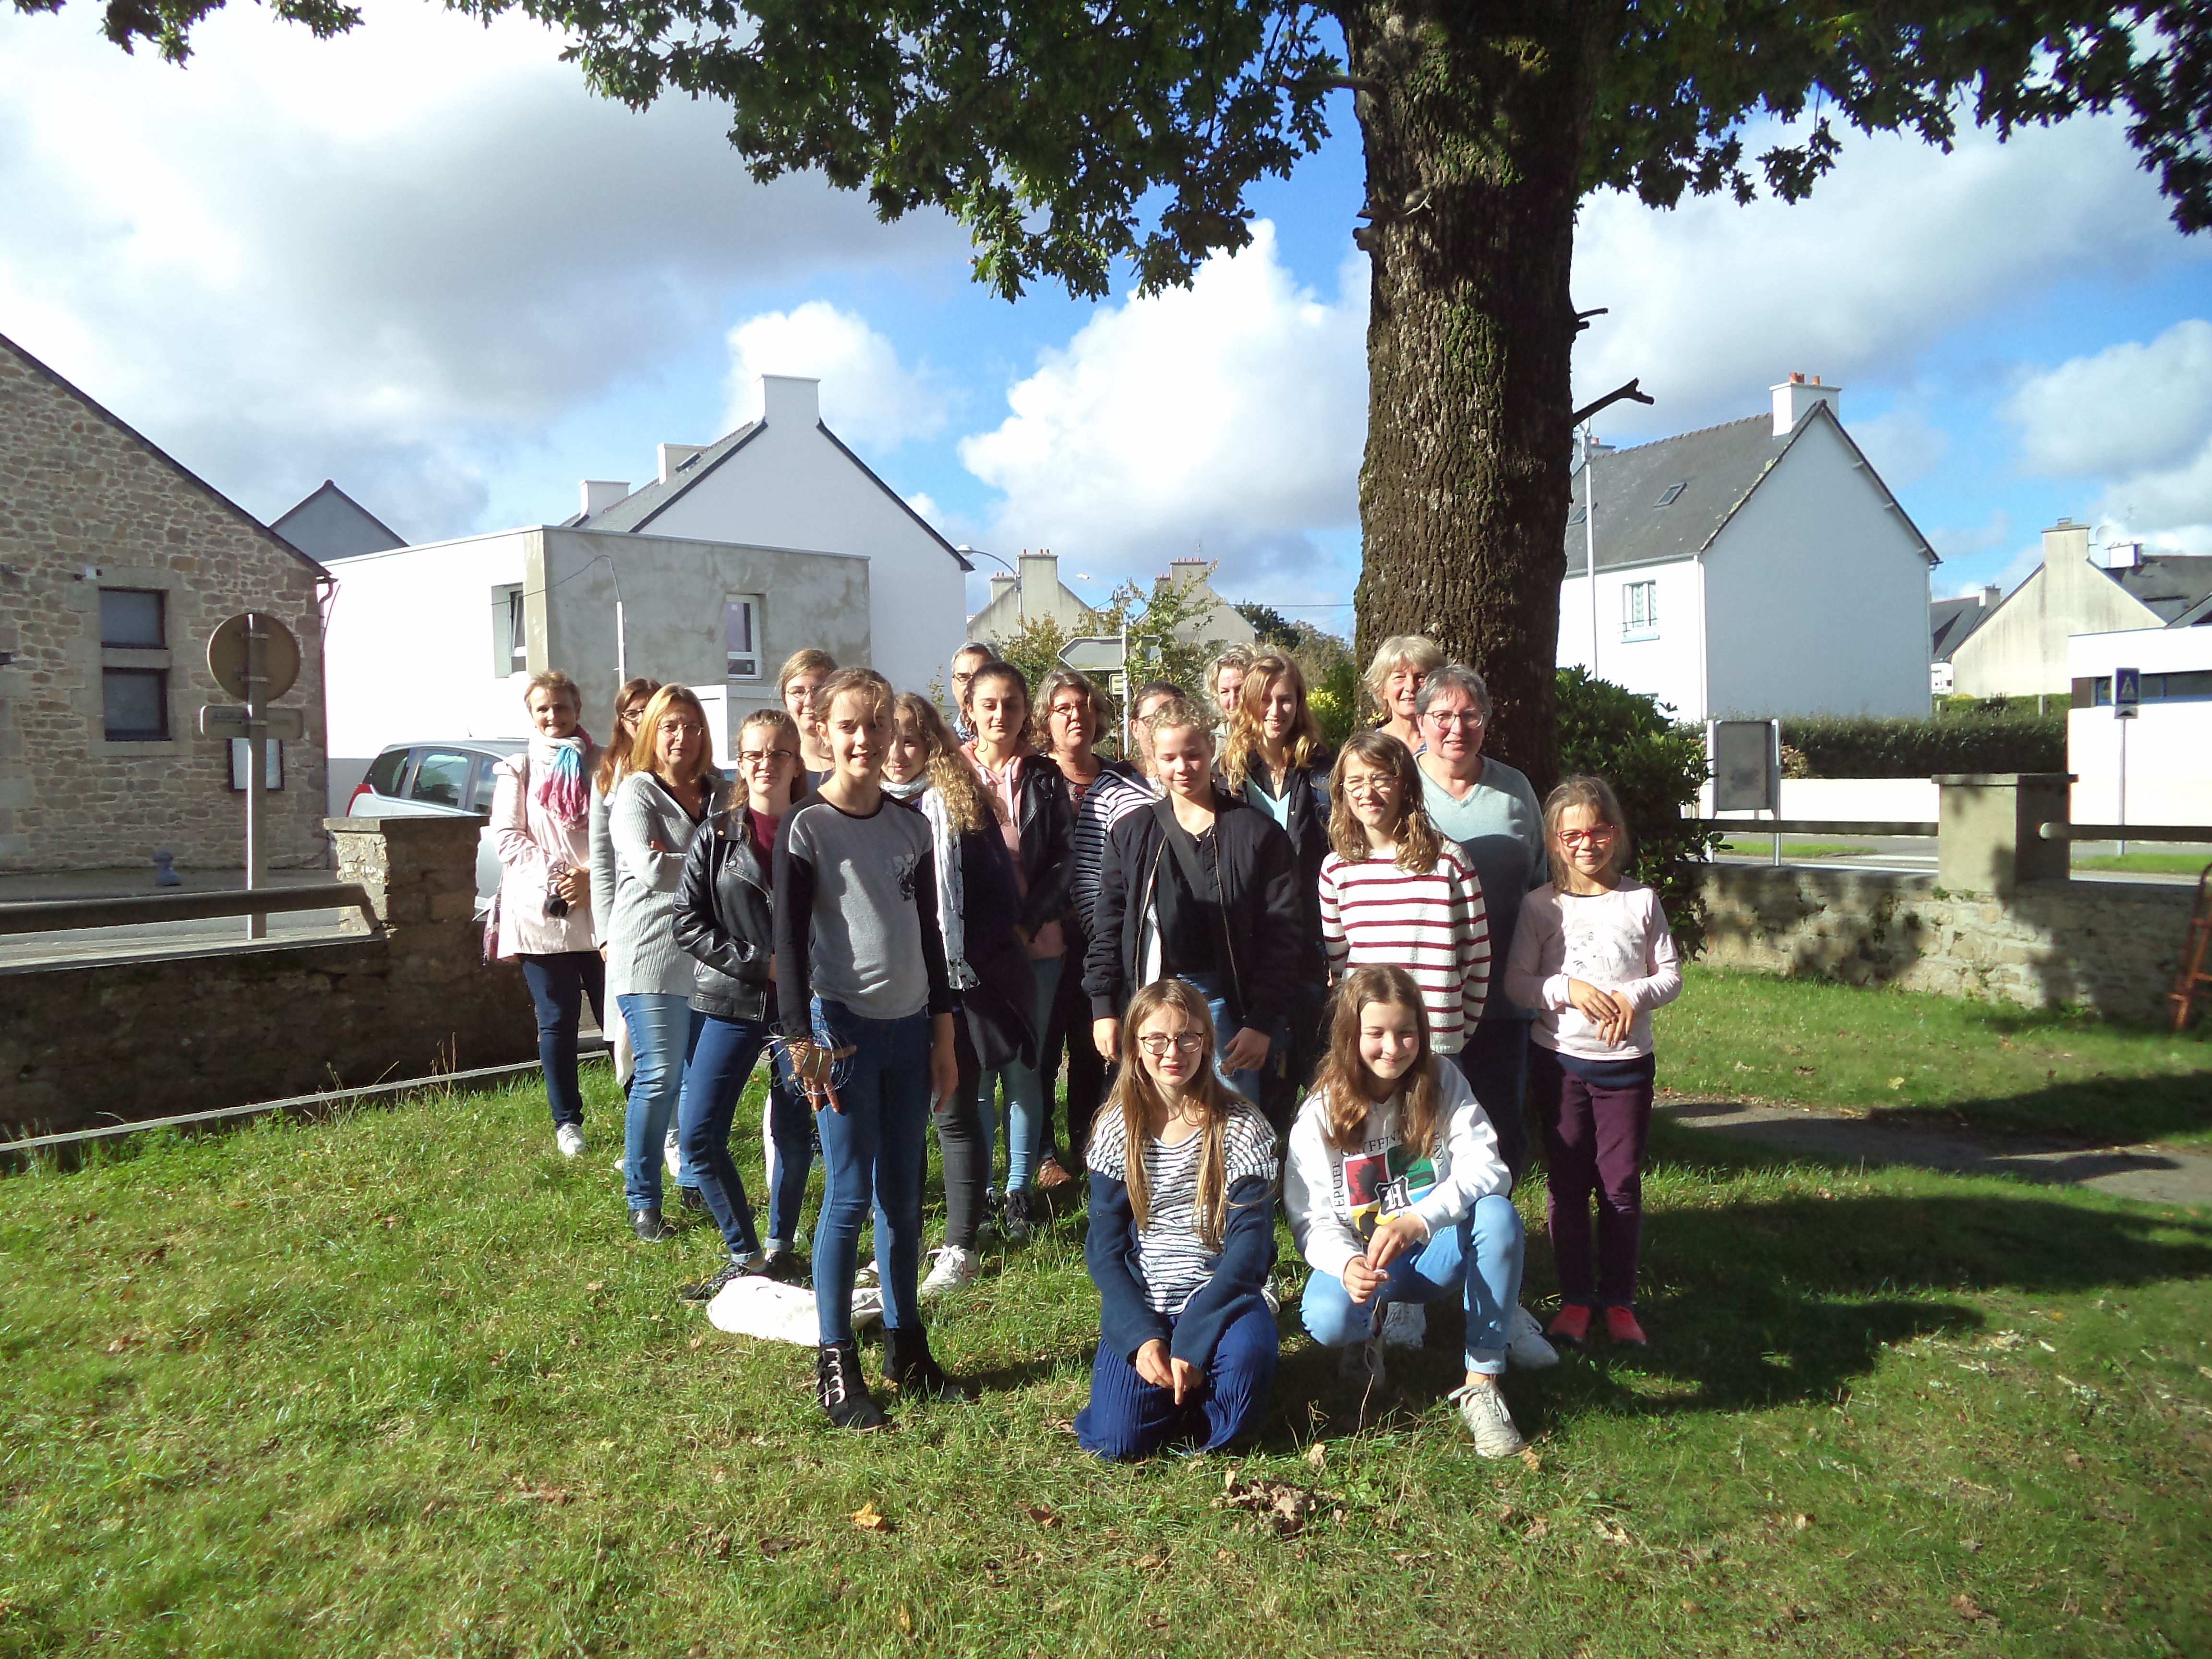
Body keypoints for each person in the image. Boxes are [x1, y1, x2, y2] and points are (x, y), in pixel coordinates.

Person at [775, 667, 968, 1429]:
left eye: (875, 725)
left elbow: (930, 936)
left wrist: (943, 1034)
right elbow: (789, 946)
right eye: (848, 726)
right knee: (850, 1194)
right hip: (842, 1036)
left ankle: (905, 1345)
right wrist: (801, 1040)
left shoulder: (911, 827)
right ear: (823, 731)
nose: (863, 738)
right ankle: (836, 1364)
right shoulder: (806, 827)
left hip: (910, 1029)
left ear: (892, 732)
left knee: (903, 1200)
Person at [1283, 966, 1529, 1457]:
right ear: (1351, 1036)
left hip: (1432, 1250)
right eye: (1376, 1034)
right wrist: (1346, 1264)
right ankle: (1365, 1336)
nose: (1393, 1048)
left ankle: (1482, 1383)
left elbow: (1489, 1167)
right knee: (1328, 1318)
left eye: (1406, 1033)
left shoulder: (1443, 1080)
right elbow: (1310, 1217)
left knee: (1497, 1216)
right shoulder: (1318, 1114)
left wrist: (1420, 1219)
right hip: (1368, 1261)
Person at [1504, 775, 1682, 1351]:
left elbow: (1670, 975)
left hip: (1627, 1066)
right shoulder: (1540, 906)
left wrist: (1633, 996)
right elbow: (1517, 983)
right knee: (1567, 1183)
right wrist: (1567, 989)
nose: (1587, 844)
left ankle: (1620, 1303)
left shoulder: (1641, 901)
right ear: (1555, 841)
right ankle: (1577, 1299)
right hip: (1561, 1064)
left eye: (1599, 831)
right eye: (1573, 834)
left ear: (1616, 833)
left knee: (1620, 1185)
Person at [1076, 978, 1279, 1460]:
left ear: (1206, 1042)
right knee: (1119, 1443)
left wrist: (1193, 1337)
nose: (1173, 1052)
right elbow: (1104, 1249)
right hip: (1147, 1297)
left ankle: (1205, 1391)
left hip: (1221, 1296)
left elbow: (1250, 1248)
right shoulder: (1116, 1128)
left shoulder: (1241, 1125)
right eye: (1157, 1040)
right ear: (1134, 1046)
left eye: (1188, 1038)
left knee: (1239, 1396)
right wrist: (1141, 1335)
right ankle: (1167, 1393)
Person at [882, 691, 1034, 1299]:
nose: (897, 754)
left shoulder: (960, 808)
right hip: (886, 988)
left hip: (957, 984)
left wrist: (960, 968)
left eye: (911, 741)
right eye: (888, 739)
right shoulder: (861, 812)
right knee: (899, 1118)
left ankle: (962, 1246)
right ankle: (904, 1239)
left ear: (933, 746)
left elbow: (1001, 904)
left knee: (954, 1111)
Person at [1086, 697, 1303, 1106]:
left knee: (1232, 1121)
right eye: (1169, 758)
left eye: (1193, 755)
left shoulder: (1255, 832)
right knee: (1154, 1119)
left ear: (1212, 749)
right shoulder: (1132, 833)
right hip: (1152, 994)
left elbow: (1284, 932)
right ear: (1153, 760)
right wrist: (1104, 1008)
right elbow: (1108, 927)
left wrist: (1261, 1020)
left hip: (1229, 1004)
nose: (1182, 767)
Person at [669, 707, 812, 1299]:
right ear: (740, 762)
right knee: (699, 1135)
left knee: (795, 1132)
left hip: (804, 1009)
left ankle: (782, 1248)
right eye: (753, 754)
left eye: (778, 753)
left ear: (796, 762)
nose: (765, 764)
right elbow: (687, 921)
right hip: (730, 1001)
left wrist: (801, 972)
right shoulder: (717, 834)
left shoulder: (816, 829)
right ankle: (745, 1254)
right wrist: (762, 964)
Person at [1414, 665, 1546, 1183]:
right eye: (1442, 715)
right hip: (1425, 996)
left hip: (1502, 995)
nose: (1457, 727)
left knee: (1499, 1129)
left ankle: (1494, 1224)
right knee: (1425, 1132)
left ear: (1487, 722)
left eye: (1470, 715)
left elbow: (1542, 882)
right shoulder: (1401, 786)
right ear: (1420, 722)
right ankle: (1429, 1227)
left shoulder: (1515, 790)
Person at [960, 661, 1075, 1237]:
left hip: (1037, 945)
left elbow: (1063, 861)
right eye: (989, 704)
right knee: (981, 1070)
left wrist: (1028, 927)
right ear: (970, 710)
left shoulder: (1045, 776)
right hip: (974, 950)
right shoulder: (951, 771)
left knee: (1025, 1068)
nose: (1000, 714)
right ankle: (980, 1189)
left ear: (1026, 710)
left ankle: (1018, 1191)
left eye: (1011, 703)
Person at [608, 684, 719, 1241]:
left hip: (710, 955)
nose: (681, 737)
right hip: (650, 952)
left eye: (692, 726)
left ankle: (696, 1180)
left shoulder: (720, 791)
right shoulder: (637, 792)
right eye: (670, 726)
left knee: (702, 1077)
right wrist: (720, 860)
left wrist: (682, 858)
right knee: (660, 1075)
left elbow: (749, 855)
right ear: (651, 731)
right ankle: (643, 1201)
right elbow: (651, 873)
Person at [1035, 667, 1149, 1177]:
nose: (1075, 716)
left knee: (1091, 1044)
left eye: (1083, 706)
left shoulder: (1123, 779)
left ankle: (1087, 1147)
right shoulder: (1035, 777)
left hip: (1104, 937)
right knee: (1043, 1048)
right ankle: (1042, 1155)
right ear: (1046, 719)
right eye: (1063, 708)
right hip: (1045, 933)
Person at [490, 672, 604, 1159]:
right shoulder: (517, 769)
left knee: (620, 1020)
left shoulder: (605, 763)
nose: (553, 716)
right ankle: (567, 1122)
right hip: (544, 914)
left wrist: (591, 876)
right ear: (532, 714)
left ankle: (649, 1115)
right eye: (544, 709)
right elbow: (507, 838)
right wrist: (562, 875)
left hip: (602, 910)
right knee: (557, 1021)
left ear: (578, 709)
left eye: (562, 707)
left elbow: (622, 831)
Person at [1218, 652, 1334, 1125]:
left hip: (1312, 940)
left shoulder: (1324, 773)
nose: (1275, 710)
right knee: (1260, 1072)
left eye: (1285, 700)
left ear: (1299, 703)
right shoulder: (1227, 775)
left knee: (1319, 1067)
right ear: (1247, 704)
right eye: (1264, 699)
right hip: (1250, 943)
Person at [591, 676, 662, 1093]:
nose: (641, 720)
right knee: (629, 1036)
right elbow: (602, 860)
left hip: (674, 918)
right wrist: (603, 933)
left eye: (649, 710)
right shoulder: (608, 777)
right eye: (632, 713)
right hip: (626, 920)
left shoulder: (690, 772)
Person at [1365, 635, 1443, 753]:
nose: (1411, 687)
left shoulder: (1447, 743)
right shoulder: (1372, 750)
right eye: (1400, 677)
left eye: (1420, 677)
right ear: (1383, 690)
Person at [778, 648, 838, 786]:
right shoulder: (775, 764)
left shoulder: (857, 759)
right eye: (798, 692)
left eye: (819, 690)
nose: (809, 701)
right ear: (785, 699)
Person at [1121, 678, 1188, 784]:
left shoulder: (1204, 783)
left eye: (1170, 719)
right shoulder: (1114, 784)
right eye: (1151, 721)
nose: (1159, 729)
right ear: (1135, 729)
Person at [949, 641, 998, 741]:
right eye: (964, 678)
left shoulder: (1019, 744)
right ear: (953, 685)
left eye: (980, 677)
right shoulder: (941, 745)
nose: (970, 685)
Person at [1206, 647, 1253, 736]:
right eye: (1225, 692)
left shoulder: (1273, 739)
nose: (1233, 701)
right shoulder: (1214, 742)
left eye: (1240, 689)